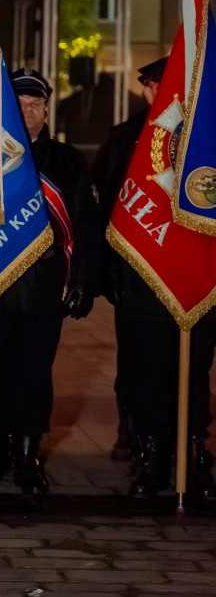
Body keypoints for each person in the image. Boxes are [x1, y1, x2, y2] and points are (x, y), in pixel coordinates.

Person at [0, 68, 102, 496]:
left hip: (45, 286)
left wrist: (82, 279)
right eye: (19, 104)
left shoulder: (67, 160)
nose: (27, 111)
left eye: (34, 104)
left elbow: (87, 225)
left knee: (33, 374)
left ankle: (26, 456)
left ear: (46, 108)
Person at [92, 57, 216, 499]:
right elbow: (107, 208)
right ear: (146, 90)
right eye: (155, 85)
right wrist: (109, 275)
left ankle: (191, 452)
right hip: (141, 279)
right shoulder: (126, 138)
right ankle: (154, 454)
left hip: (199, 280)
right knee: (146, 373)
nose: (163, 92)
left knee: (194, 374)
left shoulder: (209, 138)